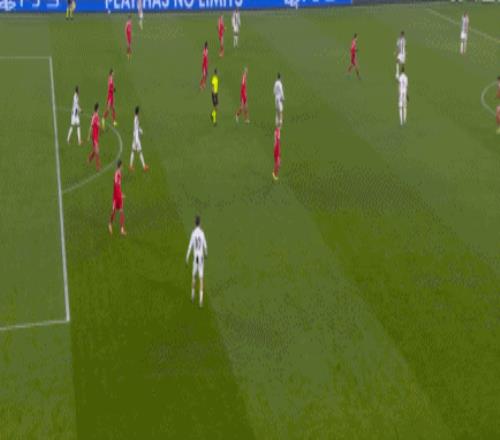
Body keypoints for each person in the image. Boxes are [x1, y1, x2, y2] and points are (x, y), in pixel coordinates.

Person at [185, 216, 208, 307]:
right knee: (201, 278)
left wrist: (187, 257)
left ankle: (192, 296)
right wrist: (206, 253)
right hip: (201, 258)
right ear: (200, 223)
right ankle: (201, 301)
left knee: (194, 277)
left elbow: (190, 246)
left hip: (195, 258)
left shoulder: (193, 233)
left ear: (195, 223)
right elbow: (205, 245)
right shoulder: (202, 233)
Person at [109, 160, 126, 236]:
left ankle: (122, 230)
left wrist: (121, 193)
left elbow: (117, 184)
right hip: (116, 196)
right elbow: (116, 185)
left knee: (121, 211)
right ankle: (110, 224)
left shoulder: (118, 173)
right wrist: (120, 195)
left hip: (118, 194)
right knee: (114, 211)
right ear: (120, 166)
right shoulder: (117, 173)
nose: (122, 167)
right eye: (122, 165)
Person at [129, 106, 149, 172]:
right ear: (138, 112)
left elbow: (136, 128)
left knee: (133, 151)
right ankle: (144, 166)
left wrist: (140, 130)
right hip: (136, 138)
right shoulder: (136, 119)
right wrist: (137, 140)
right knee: (140, 152)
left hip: (135, 136)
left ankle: (131, 166)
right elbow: (136, 128)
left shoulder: (136, 118)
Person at [87, 103, 101, 170]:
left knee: (95, 150)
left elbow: (97, 125)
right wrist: (89, 136)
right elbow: (91, 126)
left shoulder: (96, 116)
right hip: (94, 137)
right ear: (97, 109)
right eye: (99, 108)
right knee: (97, 151)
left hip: (96, 136)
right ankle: (98, 167)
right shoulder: (95, 116)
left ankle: (89, 159)